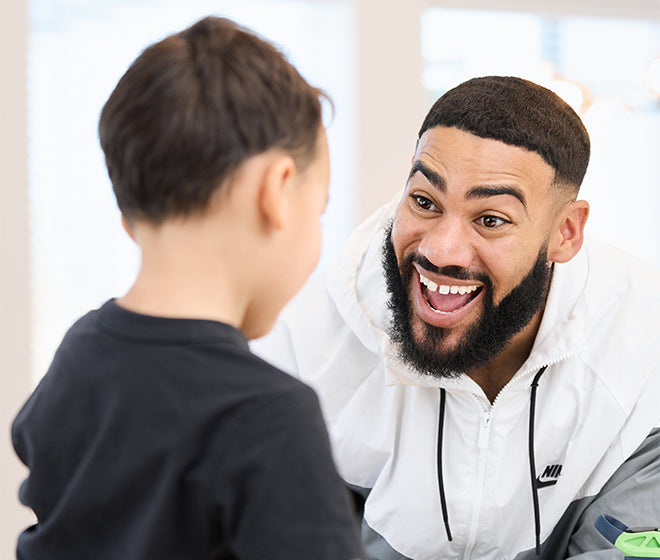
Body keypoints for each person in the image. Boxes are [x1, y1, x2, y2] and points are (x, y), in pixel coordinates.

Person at [252, 76, 660, 559]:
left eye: (490, 219)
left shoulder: (644, 346)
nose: (440, 251)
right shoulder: (303, 349)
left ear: (566, 233)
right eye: (425, 202)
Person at [11, 16, 363, 560]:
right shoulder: (268, 416)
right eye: (320, 211)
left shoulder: (79, 354)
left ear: (132, 214)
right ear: (277, 191)